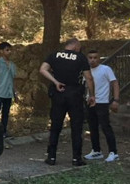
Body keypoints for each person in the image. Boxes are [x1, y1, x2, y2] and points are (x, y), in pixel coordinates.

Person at [39, 38, 95, 166]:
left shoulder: (55, 55)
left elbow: (42, 69)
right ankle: (76, 158)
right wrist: (92, 95)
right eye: (79, 47)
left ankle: (51, 157)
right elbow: (89, 78)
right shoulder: (80, 58)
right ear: (75, 46)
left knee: (55, 126)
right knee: (76, 127)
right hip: (75, 94)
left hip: (58, 93)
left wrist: (55, 82)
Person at [83, 49, 120, 162]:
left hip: (102, 102)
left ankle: (113, 152)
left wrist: (115, 100)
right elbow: (85, 86)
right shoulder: (86, 71)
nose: (93, 60)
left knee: (105, 127)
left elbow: (114, 83)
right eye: (90, 57)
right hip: (90, 102)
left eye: (95, 57)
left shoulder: (105, 69)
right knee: (92, 128)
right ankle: (96, 150)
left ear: (99, 58)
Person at [0, 41, 17, 138]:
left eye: (10, 50)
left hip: (8, 93)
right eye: (7, 50)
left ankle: (4, 131)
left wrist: (15, 92)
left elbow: (13, 80)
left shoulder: (12, 65)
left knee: (6, 113)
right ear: (1, 51)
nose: (9, 52)